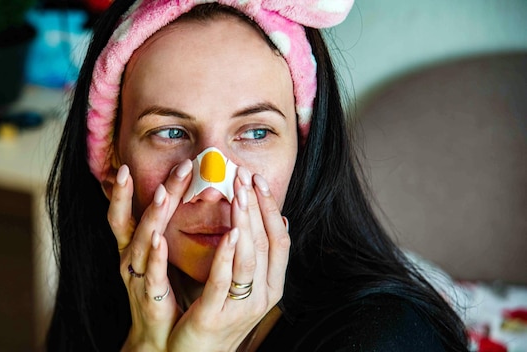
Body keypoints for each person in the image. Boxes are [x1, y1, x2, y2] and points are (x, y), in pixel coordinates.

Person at [45, 0, 469, 351]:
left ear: (303, 156)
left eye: (255, 132)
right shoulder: (97, 307)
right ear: (112, 167)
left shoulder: (385, 338)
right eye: (170, 133)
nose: (211, 187)